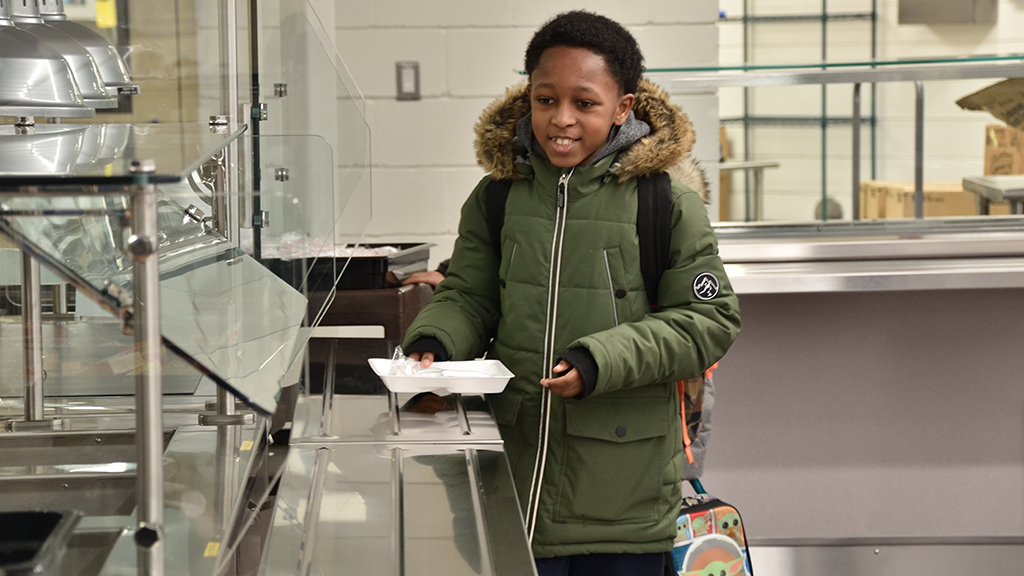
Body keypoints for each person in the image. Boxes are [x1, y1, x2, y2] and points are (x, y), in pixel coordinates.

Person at [401, 10, 741, 576]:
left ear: (623, 108)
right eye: (545, 99)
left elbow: (709, 323)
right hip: (511, 480)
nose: (561, 119)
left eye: (585, 103)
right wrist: (436, 341)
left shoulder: (665, 204)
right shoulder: (497, 197)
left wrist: (597, 360)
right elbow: (469, 294)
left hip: (620, 503)